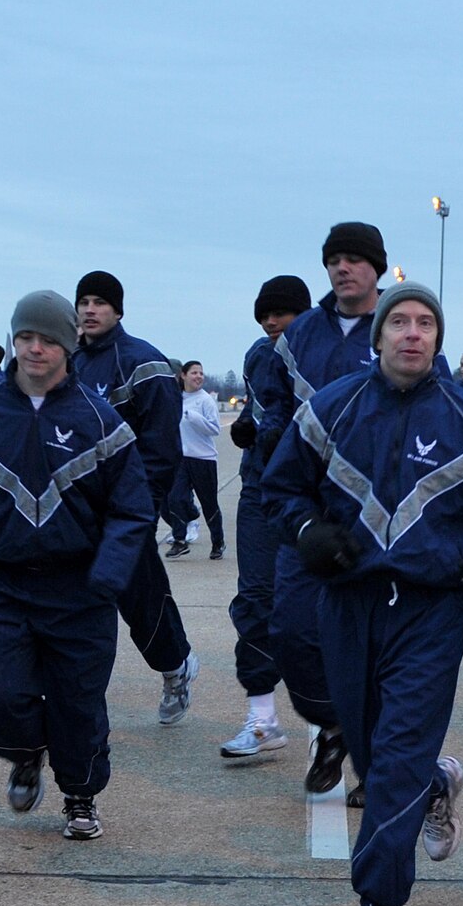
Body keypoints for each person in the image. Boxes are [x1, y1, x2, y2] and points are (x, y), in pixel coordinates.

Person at [264, 282, 463, 906]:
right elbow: (279, 490)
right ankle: (434, 783)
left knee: (394, 759)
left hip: (431, 609)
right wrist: (307, 532)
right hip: (348, 604)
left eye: (425, 323)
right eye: (400, 322)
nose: (412, 333)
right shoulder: (332, 408)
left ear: (438, 339)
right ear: (379, 334)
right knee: (373, 753)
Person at [0, 291, 153, 841]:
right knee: (1, 697)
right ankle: (24, 752)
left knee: (78, 704)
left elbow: (131, 508)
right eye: (25, 337)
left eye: (48, 339)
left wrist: (108, 575)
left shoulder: (102, 424)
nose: (35, 348)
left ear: (70, 345)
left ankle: (80, 794)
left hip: (80, 589)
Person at [255, 222, 388, 800]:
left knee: (377, 645)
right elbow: (278, 409)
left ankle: (371, 757)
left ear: (376, 268)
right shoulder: (300, 335)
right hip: (308, 514)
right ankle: (331, 724)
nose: (343, 269)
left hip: (381, 515)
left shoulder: (400, 324)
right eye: (335, 259)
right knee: (291, 631)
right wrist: (264, 438)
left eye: (356, 259)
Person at [71, 270, 199, 723]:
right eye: (83, 301)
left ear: (118, 310)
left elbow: (162, 448)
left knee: (142, 603)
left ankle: (176, 666)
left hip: (125, 512)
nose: (89, 309)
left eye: (99, 302)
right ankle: (75, 707)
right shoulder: (69, 361)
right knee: (77, 607)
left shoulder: (145, 364)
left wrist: (139, 510)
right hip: (75, 514)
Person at [220, 276, 308, 761]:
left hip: (312, 493)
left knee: (317, 609)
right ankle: (262, 717)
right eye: (264, 315)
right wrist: (250, 429)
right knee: (255, 599)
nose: (271, 322)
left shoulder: (320, 350)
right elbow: (262, 409)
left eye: (281, 313)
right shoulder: (258, 354)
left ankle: (338, 724)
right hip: (259, 489)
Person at [161, 360, 224, 559]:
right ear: (183, 375)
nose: (198, 377)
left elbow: (215, 429)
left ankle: (218, 542)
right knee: (175, 498)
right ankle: (180, 540)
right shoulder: (176, 398)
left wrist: (194, 417)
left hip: (203, 458)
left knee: (209, 503)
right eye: (194, 373)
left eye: (201, 373)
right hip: (180, 458)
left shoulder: (205, 400)